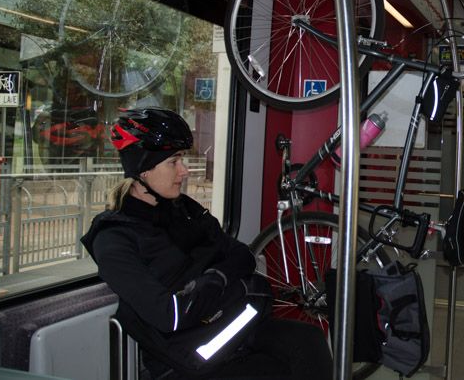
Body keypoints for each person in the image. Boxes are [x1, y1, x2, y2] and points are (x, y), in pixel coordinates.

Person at [81, 107, 332, 379]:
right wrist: (221, 281)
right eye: (173, 162)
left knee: (308, 340)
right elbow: (171, 316)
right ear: (143, 169)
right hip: (191, 355)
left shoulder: (183, 210)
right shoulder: (114, 238)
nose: (184, 171)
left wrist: (215, 280)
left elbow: (242, 255)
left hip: (231, 326)